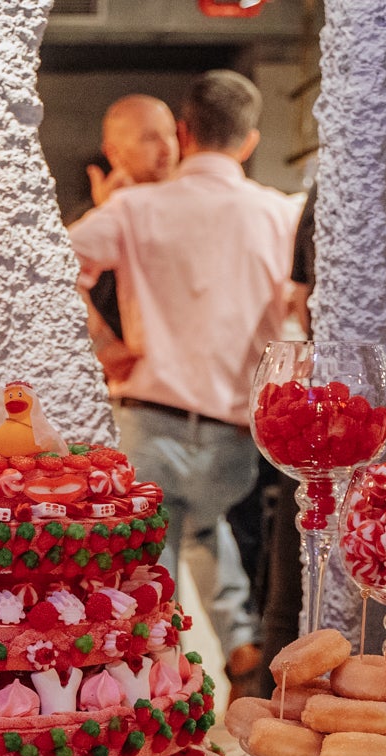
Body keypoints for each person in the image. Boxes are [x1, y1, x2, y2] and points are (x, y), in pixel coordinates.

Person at [68, 70, 299, 687]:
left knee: (149, 562)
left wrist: (107, 346)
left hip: (148, 419)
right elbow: (304, 312)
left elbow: (52, 267)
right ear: (249, 143)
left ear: (184, 131)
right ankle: (240, 642)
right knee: (201, 523)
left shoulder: (136, 207)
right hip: (235, 439)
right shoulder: (281, 215)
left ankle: (154, 694)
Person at [79, 95, 179, 354]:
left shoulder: (194, 206)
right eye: (149, 138)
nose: (167, 148)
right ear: (114, 153)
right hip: (125, 378)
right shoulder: (94, 217)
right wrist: (102, 345)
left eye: (170, 134)